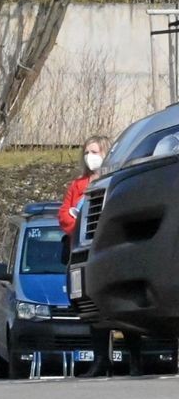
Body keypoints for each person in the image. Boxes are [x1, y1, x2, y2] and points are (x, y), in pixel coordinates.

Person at [61, 136, 142, 377]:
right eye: (87, 152)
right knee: (93, 308)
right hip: (86, 254)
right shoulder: (78, 185)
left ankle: (135, 360)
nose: (90, 156)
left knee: (124, 306)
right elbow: (64, 217)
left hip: (113, 251)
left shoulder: (119, 181)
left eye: (95, 151)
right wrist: (79, 222)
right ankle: (100, 360)